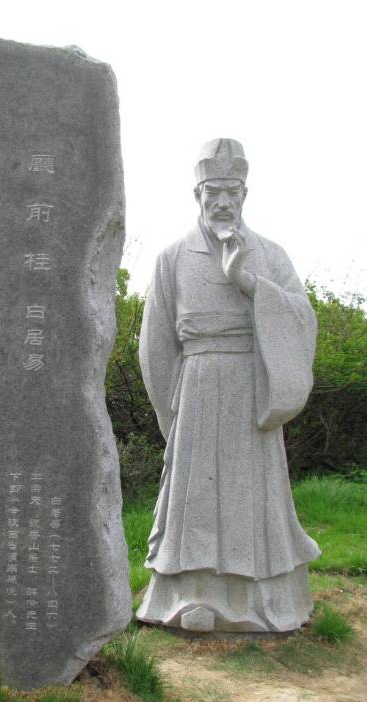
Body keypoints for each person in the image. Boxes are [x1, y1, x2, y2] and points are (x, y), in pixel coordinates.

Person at [136, 139, 320, 632]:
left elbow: (302, 319)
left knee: (253, 493)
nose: (222, 201)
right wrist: (169, 409)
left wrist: (253, 284)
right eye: (212, 191)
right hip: (195, 388)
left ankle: (265, 600)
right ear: (197, 194)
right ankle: (189, 598)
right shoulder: (172, 257)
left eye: (231, 192)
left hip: (252, 389)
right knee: (195, 496)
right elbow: (155, 343)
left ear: (244, 195)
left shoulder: (271, 255)